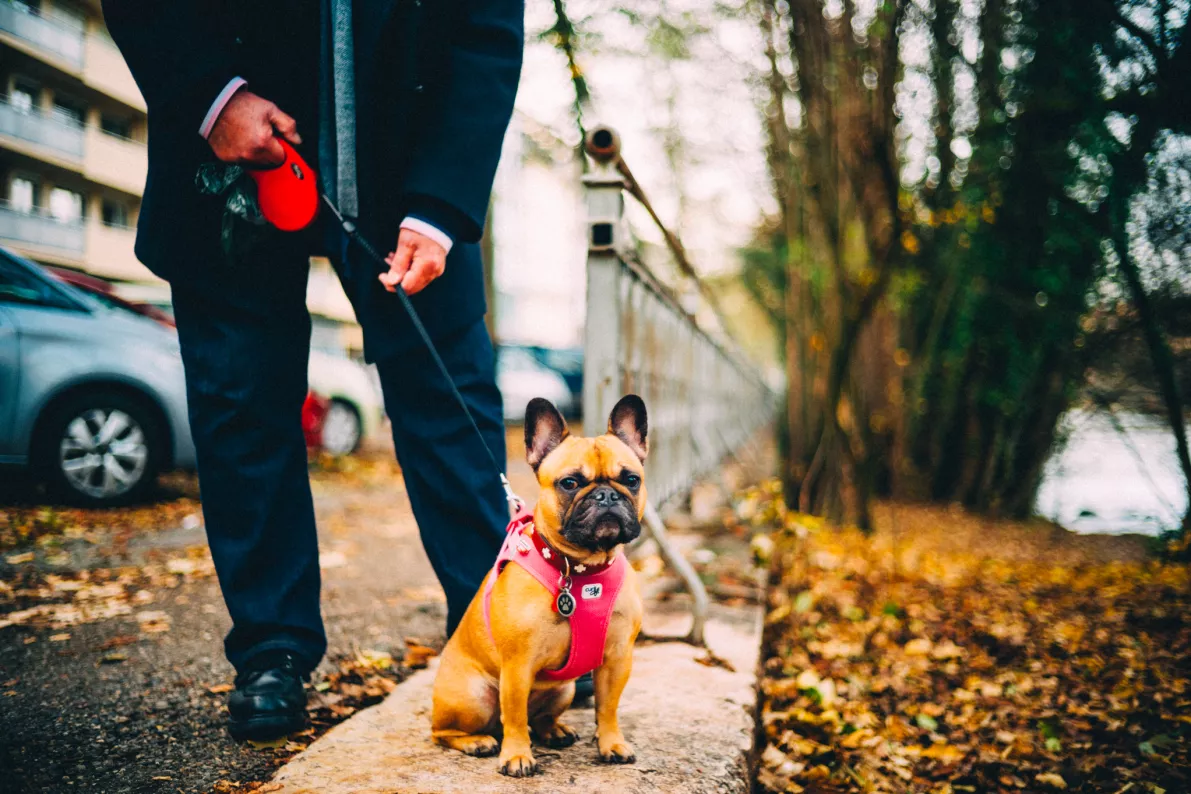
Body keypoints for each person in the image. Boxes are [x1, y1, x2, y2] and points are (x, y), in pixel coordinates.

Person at [102, 0, 525, 740]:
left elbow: (485, 29)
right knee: (241, 402)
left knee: (449, 397)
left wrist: (441, 205)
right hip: (227, 155)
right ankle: (272, 648)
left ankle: (499, 631)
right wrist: (212, 95)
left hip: (413, 158)